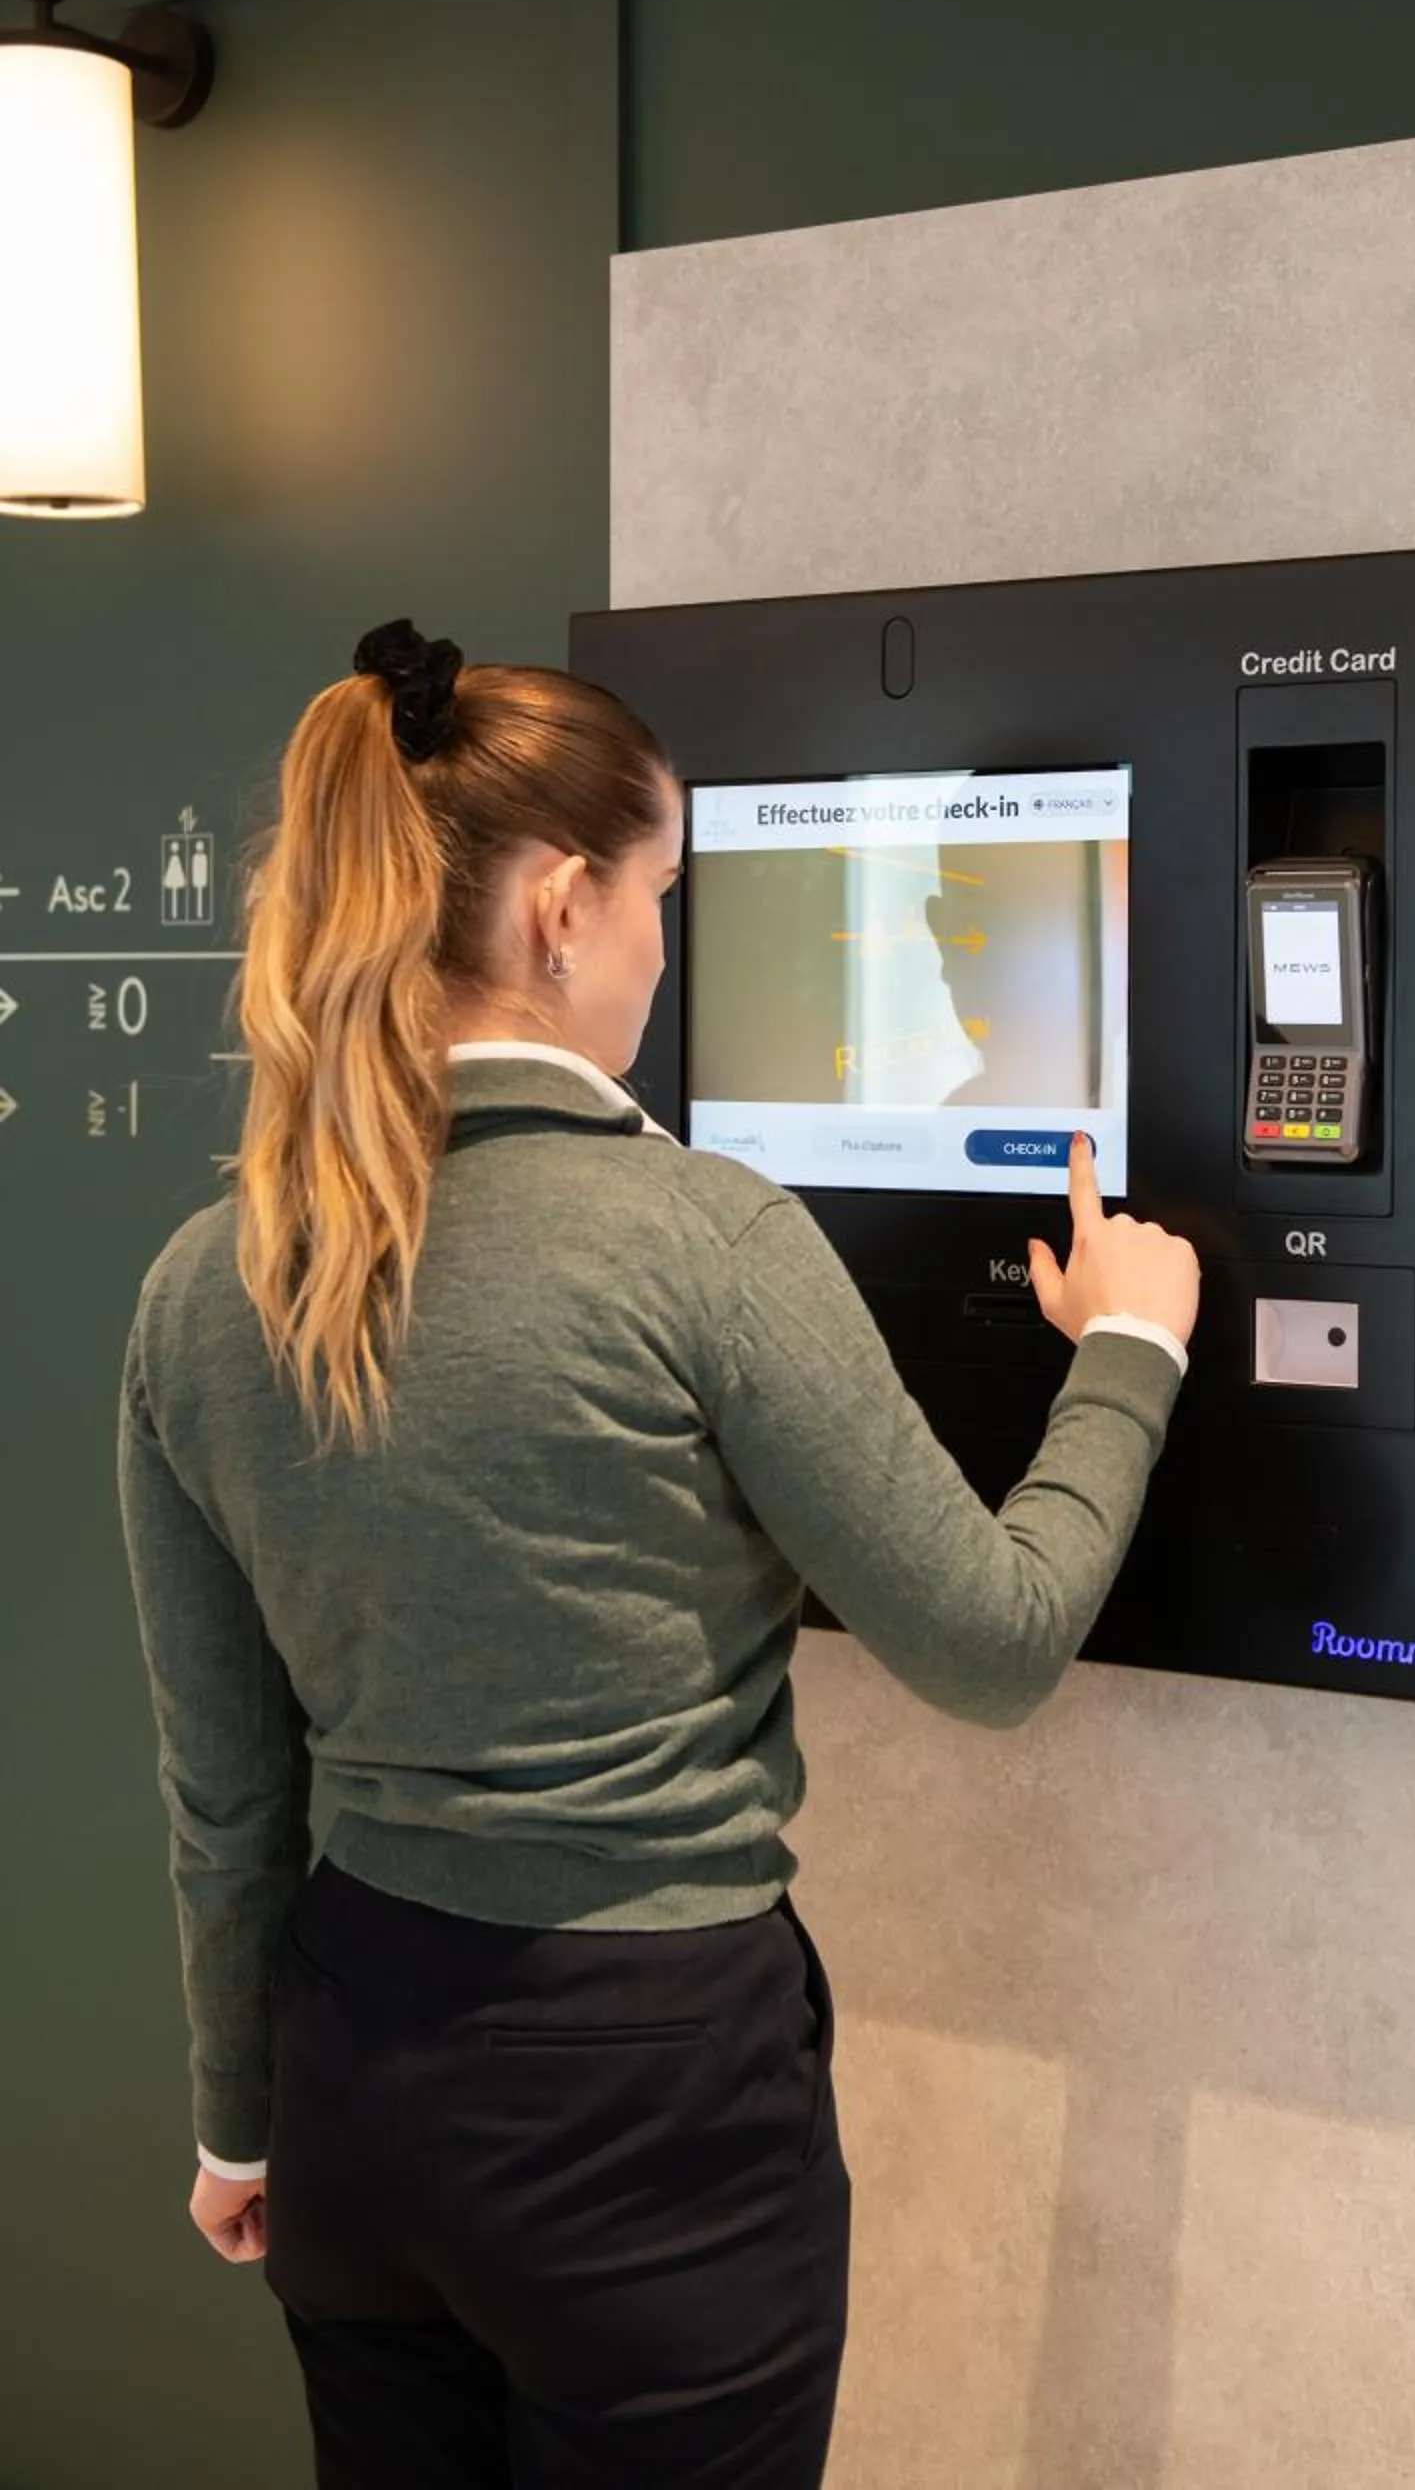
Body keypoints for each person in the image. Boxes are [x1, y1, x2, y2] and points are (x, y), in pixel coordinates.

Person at [116, 619, 1201, 2490]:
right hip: (645, 2099)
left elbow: (227, 1802)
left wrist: (240, 2126)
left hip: (353, 2087)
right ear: (556, 907)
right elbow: (995, 1642)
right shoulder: (702, 1239)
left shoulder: (205, 1287)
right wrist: (1132, 1346)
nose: (657, 951)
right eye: (659, 897)